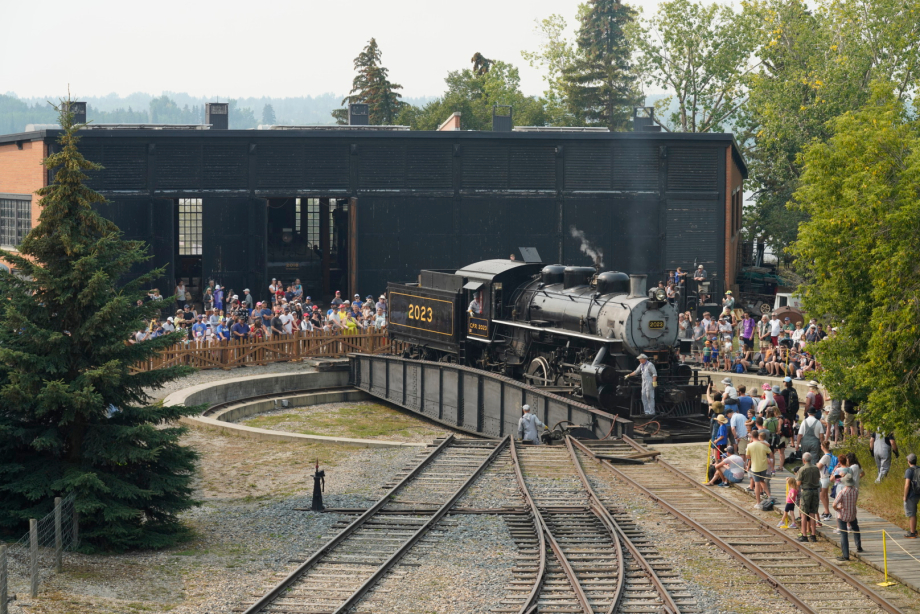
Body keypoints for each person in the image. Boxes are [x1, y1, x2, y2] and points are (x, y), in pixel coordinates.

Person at [834, 472, 861, 560]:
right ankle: (858, 545)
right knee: (856, 528)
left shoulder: (842, 492)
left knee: (844, 535)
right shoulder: (856, 490)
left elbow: (834, 504)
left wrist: (838, 509)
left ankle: (845, 555)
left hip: (843, 515)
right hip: (852, 513)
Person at [797, 452, 821, 542]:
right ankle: (813, 535)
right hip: (815, 491)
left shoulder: (802, 469)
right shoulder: (816, 468)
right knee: (812, 513)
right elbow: (818, 479)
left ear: (804, 460)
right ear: (811, 459)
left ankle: (804, 535)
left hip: (806, 492)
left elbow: (798, 483)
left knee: (804, 514)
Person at [747, 431, 773, 508]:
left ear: (751, 437)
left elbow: (748, 457)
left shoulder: (749, 446)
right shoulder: (763, 445)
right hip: (763, 466)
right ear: (758, 436)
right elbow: (770, 453)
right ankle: (769, 495)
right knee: (762, 481)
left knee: (757, 484)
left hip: (755, 467)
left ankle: (758, 502)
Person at [904, 453, 920, 538]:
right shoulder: (919, 469)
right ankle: (914, 530)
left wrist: (905, 496)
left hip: (911, 494)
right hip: (918, 493)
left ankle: (912, 532)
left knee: (912, 514)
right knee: (915, 513)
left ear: (909, 461)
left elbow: (907, 485)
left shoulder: (909, 470)